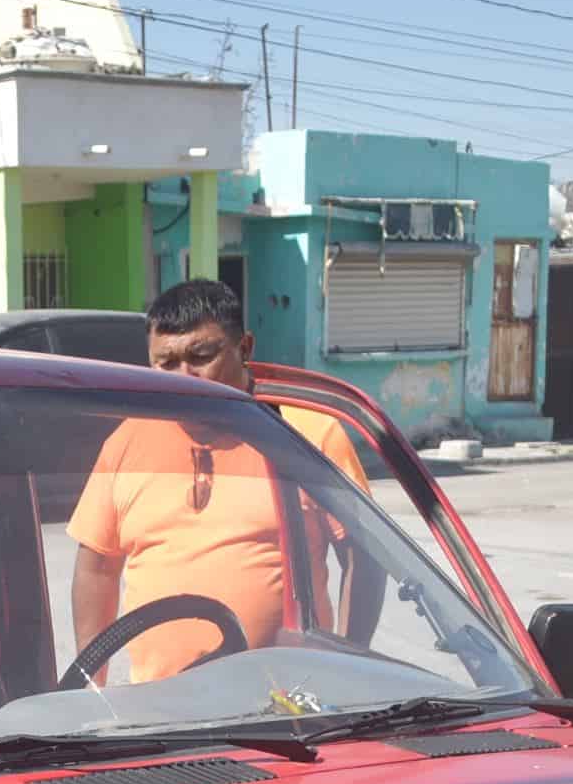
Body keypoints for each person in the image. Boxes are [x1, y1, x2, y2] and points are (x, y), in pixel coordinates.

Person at [67, 278, 369, 683]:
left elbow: (364, 558)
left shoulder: (307, 434)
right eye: (166, 363)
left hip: (286, 711)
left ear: (244, 349)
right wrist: (92, 689)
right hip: (160, 713)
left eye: (201, 356)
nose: (183, 376)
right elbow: (96, 570)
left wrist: (348, 673)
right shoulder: (127, 439)